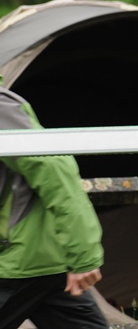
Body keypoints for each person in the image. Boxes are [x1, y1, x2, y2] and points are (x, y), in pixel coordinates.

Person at [0, 86, 107, 329]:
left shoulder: (0, 106)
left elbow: (55, 173)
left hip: (19, 260)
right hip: (44, 262)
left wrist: (84, 256)